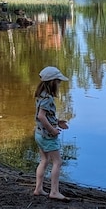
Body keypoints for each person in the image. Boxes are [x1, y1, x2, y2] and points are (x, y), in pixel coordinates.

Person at [33, 65, 71, 201]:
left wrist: (57, 121)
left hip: (38, 134)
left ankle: (38, 189)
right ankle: (54, 191)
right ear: (52, 82)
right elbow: (41, 116)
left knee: (44, 160)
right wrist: (52, 130)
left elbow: (45, 115)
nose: (59, 84)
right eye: (58, 81)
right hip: (47, 136)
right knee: (57, 162)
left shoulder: (40, 95)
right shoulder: (48, 98)